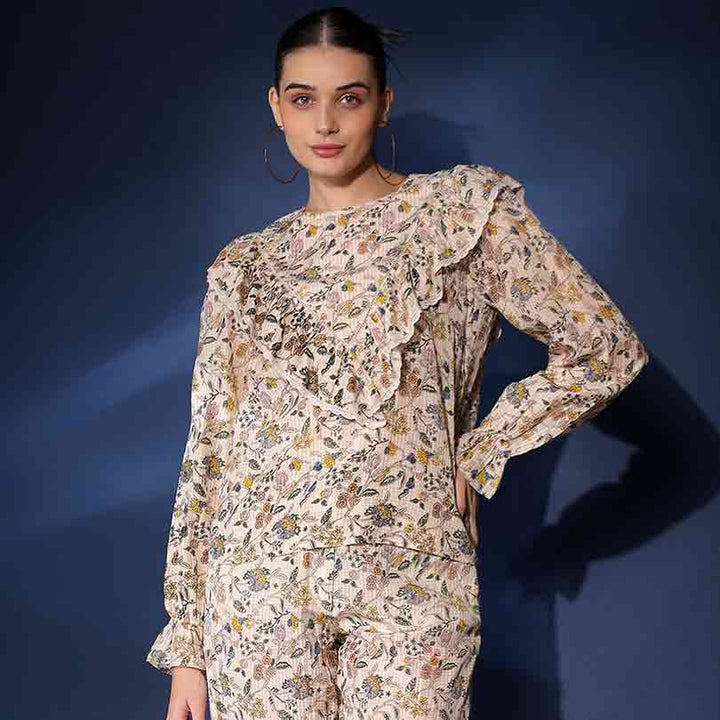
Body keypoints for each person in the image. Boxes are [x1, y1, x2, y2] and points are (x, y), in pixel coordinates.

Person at [145, 6, 649, 719]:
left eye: (348, 98)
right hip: (253, 595)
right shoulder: (244, 269)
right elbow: (210, 453)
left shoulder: (461, 215)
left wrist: (486, 447)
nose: (325, 123)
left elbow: (603, 346)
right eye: (303, 99)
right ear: (276, 108)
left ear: (383, 104)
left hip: (409, 577)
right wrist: (189, 647)